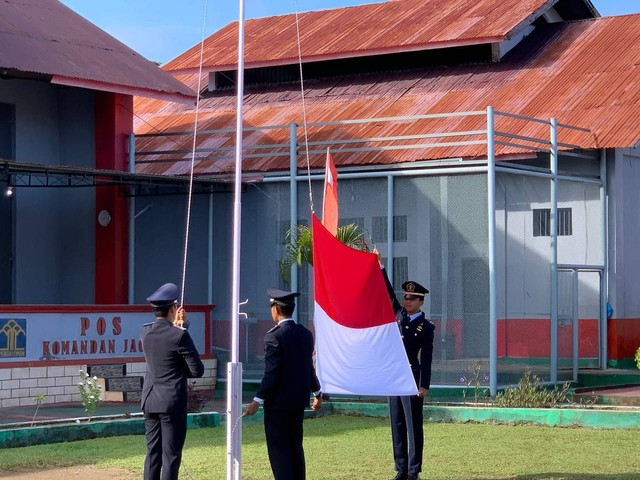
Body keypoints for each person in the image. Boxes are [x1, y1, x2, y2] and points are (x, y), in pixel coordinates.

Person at [244, 288, 322, 480]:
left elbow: (272, 373)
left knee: (279, 450)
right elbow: (308, 367)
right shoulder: (305, 333)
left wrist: (257, 400)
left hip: (278, 403)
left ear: (276, 309)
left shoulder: (274, 336)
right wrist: (317, 392)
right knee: (295, 446)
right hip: (297, 401)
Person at [140, 282, 204, 480]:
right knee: (171, 456)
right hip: (171, 403)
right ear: (173, 308)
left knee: (153, 455)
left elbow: (166, 346)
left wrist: (180, 327)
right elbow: (197, 370)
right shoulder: (180, 336)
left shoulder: (145, 332)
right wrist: (183, 328)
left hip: (150, 401)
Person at [382, 269, 435, 480]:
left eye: (411, 298)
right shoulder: (398, 314)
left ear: (421, 301)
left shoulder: (426, 326)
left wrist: (424, 385)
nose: (407, 301)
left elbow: (427, 358)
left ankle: (414, 471)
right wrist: (381, 268)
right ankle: (401, 469)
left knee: (413, 425)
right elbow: (387, 293)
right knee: (396, 423)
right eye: (405, 296)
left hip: (412, 378)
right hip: (394, 377)